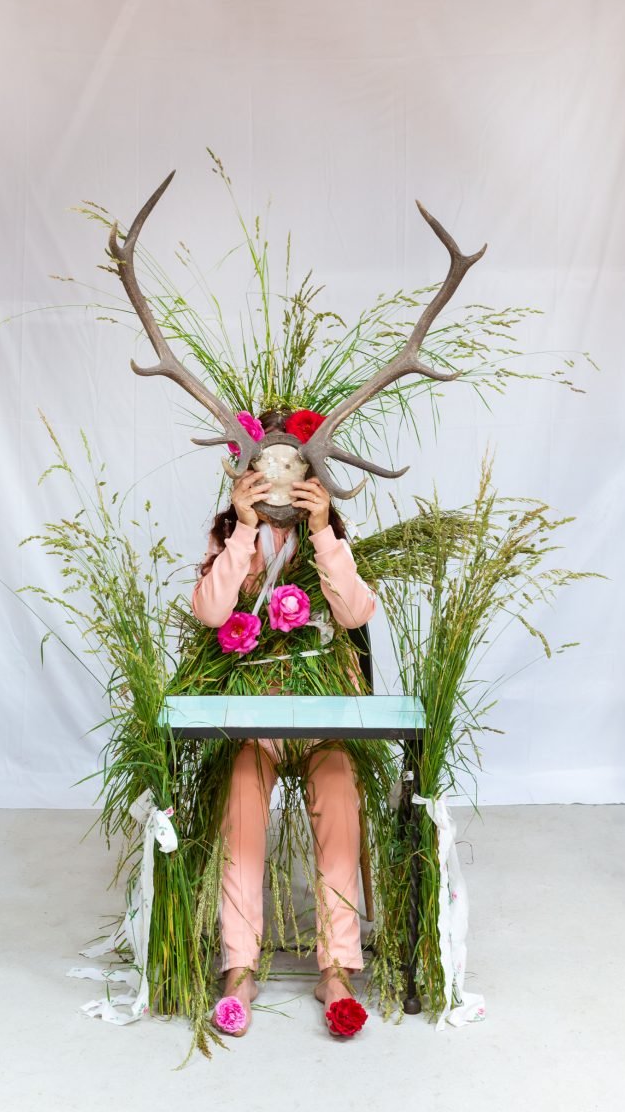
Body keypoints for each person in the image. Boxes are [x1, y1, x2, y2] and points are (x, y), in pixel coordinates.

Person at [191, 412, 377, 1038]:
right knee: (243, 785)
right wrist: (243, 531)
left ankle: (338, 968)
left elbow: (353, 615)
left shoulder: (325, 537)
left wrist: (324, 531)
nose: (277, 482)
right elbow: (214, 612)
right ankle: (239, 966)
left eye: (291, 469)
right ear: (245, 475)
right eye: (264, 470)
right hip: (255, 717)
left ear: (311, 476)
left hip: (321, 717)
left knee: (340, 788)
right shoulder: (231, 539)